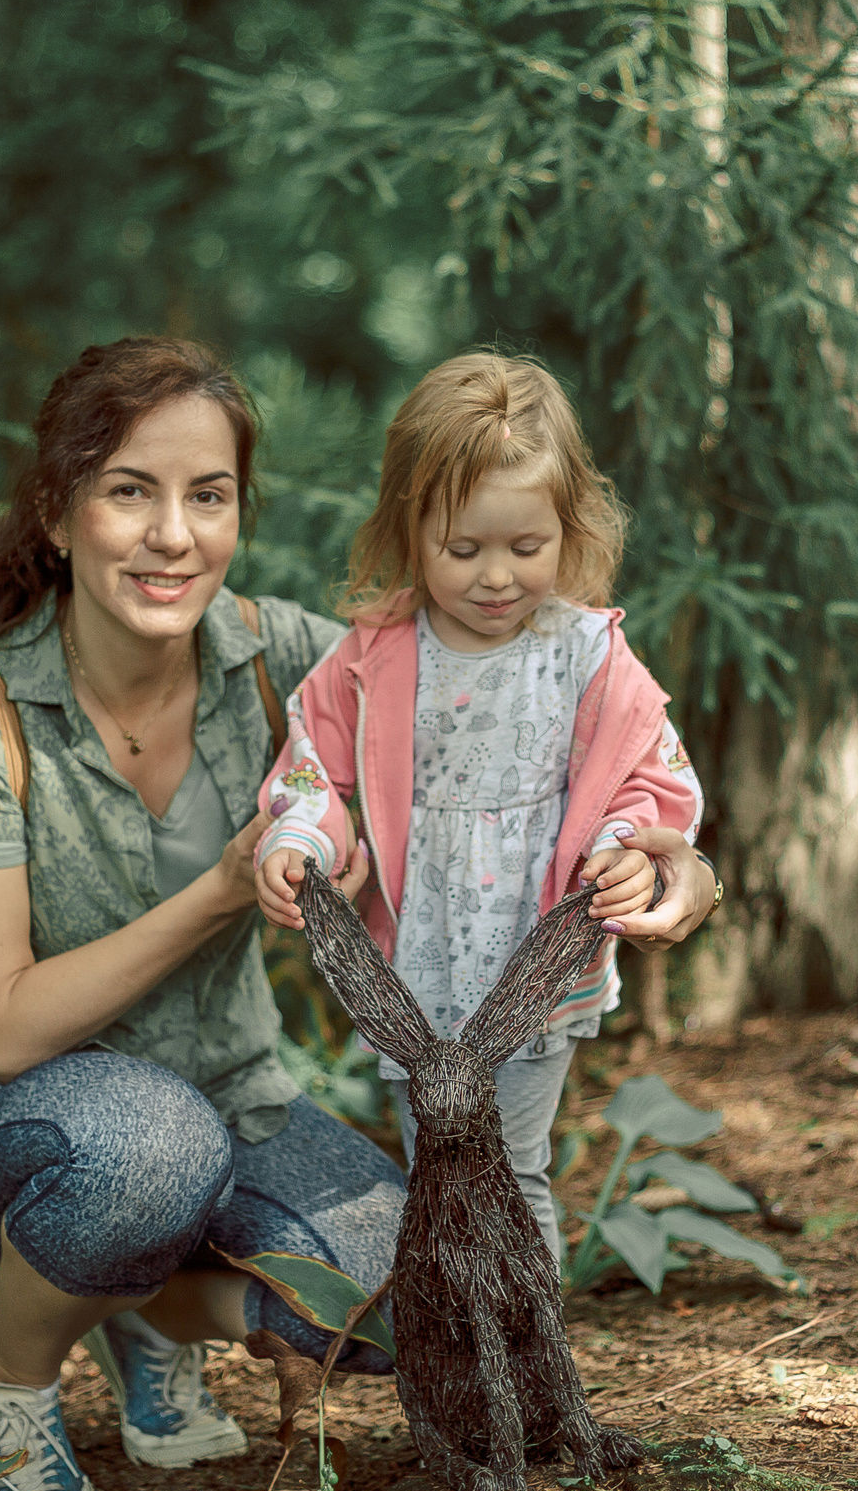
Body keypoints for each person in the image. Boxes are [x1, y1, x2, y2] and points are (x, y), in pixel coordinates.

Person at [0, 338, 718, 1491]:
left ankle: (138, 1312)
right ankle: (14, 1385)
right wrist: (227, 886)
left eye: (208, 495)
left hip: (235, 1099)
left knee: (413, 1298)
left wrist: (675, 859)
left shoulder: (288, 655)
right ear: (57, 514)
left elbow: (499, 700)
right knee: (147, 1146)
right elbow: (1, 1028)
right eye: (129, 491)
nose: (173, 534)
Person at [254, 351, 704, 1269]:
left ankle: (532, 1342)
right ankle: (452, 1338)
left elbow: (645, 775)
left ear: (567, 528)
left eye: (525, 548)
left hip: (531, 963)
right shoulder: (372, 658)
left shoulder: (585, 655)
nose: (496, 577)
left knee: (513, 1165)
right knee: (435, 1167)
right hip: (416, 971)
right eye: (464, 550)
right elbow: (314, 768)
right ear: (411, 531)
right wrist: (299, 837)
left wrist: (627, 847)